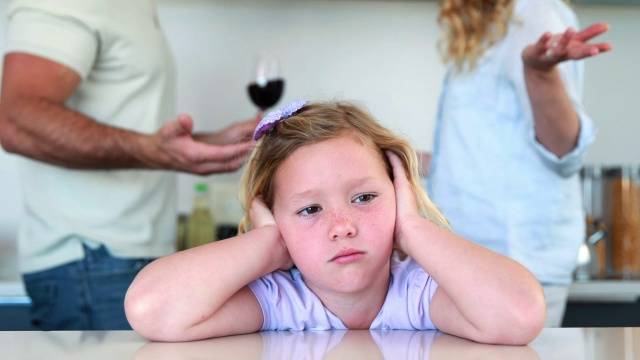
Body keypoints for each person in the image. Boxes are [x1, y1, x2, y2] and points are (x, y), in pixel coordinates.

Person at [125, 100, 546, 345]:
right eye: (310, 210)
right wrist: (270, 244)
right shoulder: (278, 300)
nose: (342, 226)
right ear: (274, 218)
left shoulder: (418, 292)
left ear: (400, 197)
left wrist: (413, 230)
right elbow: (151, 309)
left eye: (364, 198)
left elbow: (520, 313)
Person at [0, 0, 257, 330]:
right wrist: (154, 152)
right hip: (92, 264)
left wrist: (210, 142)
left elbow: (134, 132)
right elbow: (16, 119)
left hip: (124, 262)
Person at [426, 0, 612, 327]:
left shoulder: (536, 17)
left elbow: (563, 150)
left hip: (515, 263)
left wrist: (540, 75)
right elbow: (486, 151)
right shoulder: (490, 28)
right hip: (476, 260)